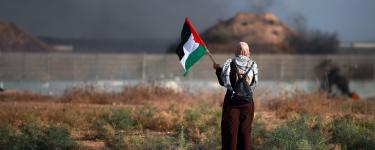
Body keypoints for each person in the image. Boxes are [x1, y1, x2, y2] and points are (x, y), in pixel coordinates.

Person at [213, 42, 258, 150]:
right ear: (248, 52)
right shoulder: (253, 65)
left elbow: (223, 82)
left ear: (236, 52)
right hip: (247, 102)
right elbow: (254, 84)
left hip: (232, 102)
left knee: (230, 132)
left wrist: (218, 70)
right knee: (245, 132)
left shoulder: (229, 63)